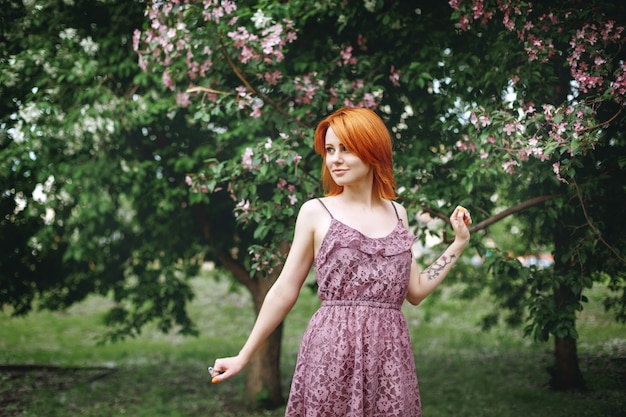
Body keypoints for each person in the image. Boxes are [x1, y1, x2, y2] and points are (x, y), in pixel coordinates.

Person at [209, 107, 471, 416]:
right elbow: (283, 291)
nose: (334, 159)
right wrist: (244, 355)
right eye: (330, 150)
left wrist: (459, 243)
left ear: (372, 151)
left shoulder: (398, 213)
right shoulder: (315, 212)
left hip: (389, 358)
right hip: (331, 353)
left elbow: (414, 290)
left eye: (345, 150)